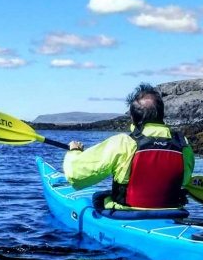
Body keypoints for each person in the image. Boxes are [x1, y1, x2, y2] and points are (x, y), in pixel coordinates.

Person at [64, 83, 194, 210]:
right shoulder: (183, 144)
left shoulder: (123, 143)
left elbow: (76, 176)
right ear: (161, 115)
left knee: (98, 197)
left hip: (128, 213)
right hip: (171, 212)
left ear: (133, 117)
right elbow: (184, 180)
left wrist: (74, 151)